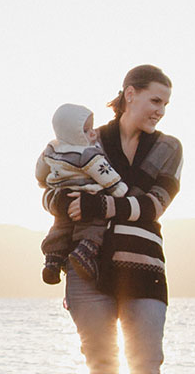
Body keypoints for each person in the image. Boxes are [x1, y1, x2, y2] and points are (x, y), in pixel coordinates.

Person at [51, 65, 185, 374]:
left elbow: (152, 206)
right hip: (86, 270)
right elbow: (53, 189)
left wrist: (96, 204)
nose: (161, 111)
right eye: (155, 100)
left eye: (165, 104)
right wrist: (76, 200)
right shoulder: (90, 138)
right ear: (130, 93)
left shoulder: (167, 148)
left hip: (144, 266)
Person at [36, 103, 127, 285]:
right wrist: (120, 190)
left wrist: (43, 182)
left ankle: (52, 260)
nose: (92, 133)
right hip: (86, 196)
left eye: (92, 129)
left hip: (61, 196)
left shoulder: (52, 148)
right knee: (95, 225)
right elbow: (105, 174)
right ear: (74, 133)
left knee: (60, 228)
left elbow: (40, 170)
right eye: (86, 131)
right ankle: (85, 251)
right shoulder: (87, 154)